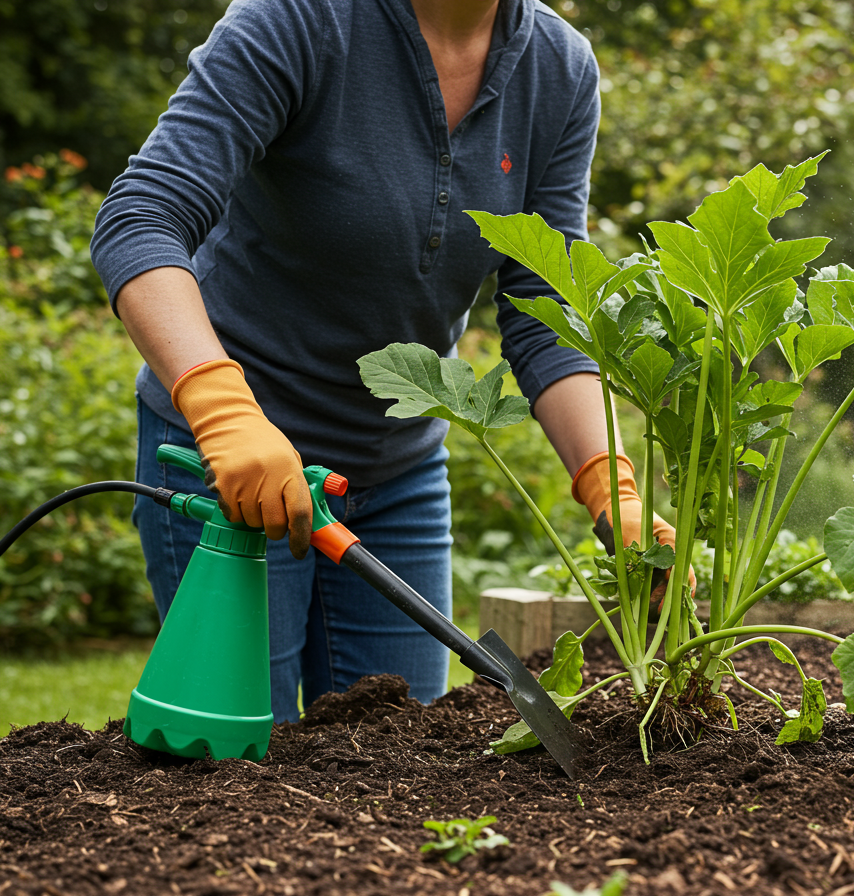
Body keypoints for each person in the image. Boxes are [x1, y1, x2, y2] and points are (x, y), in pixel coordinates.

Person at [90, 0, 685, 722]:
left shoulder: (557, 68)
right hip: (234, 460)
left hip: (396, 471)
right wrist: (222, 410)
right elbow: (142, 215)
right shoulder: (299, 21)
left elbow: (544, 308)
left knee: (404, 768)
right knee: (238, 764)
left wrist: (609, 485)